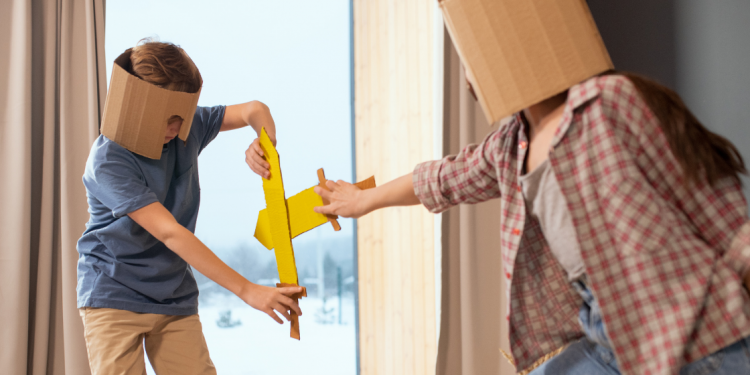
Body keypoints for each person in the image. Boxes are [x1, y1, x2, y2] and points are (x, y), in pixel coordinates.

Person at [314, 71, 750, 374]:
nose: (470, 73)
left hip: (700, 342)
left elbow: (716, 207)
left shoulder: (608, 102)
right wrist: (363, 198)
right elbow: (444, 178)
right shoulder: (510, 144)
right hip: (611, 339)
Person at [76, 39, 302, 375]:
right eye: (168, 119)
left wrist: (263, 142)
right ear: (138, 109)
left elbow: (254, 108)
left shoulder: (184, 126)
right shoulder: (110, 160)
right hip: (114, 294)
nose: (177, 128)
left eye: (182, 117)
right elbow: (169, 233)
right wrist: (247, 290)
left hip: (173, 296)